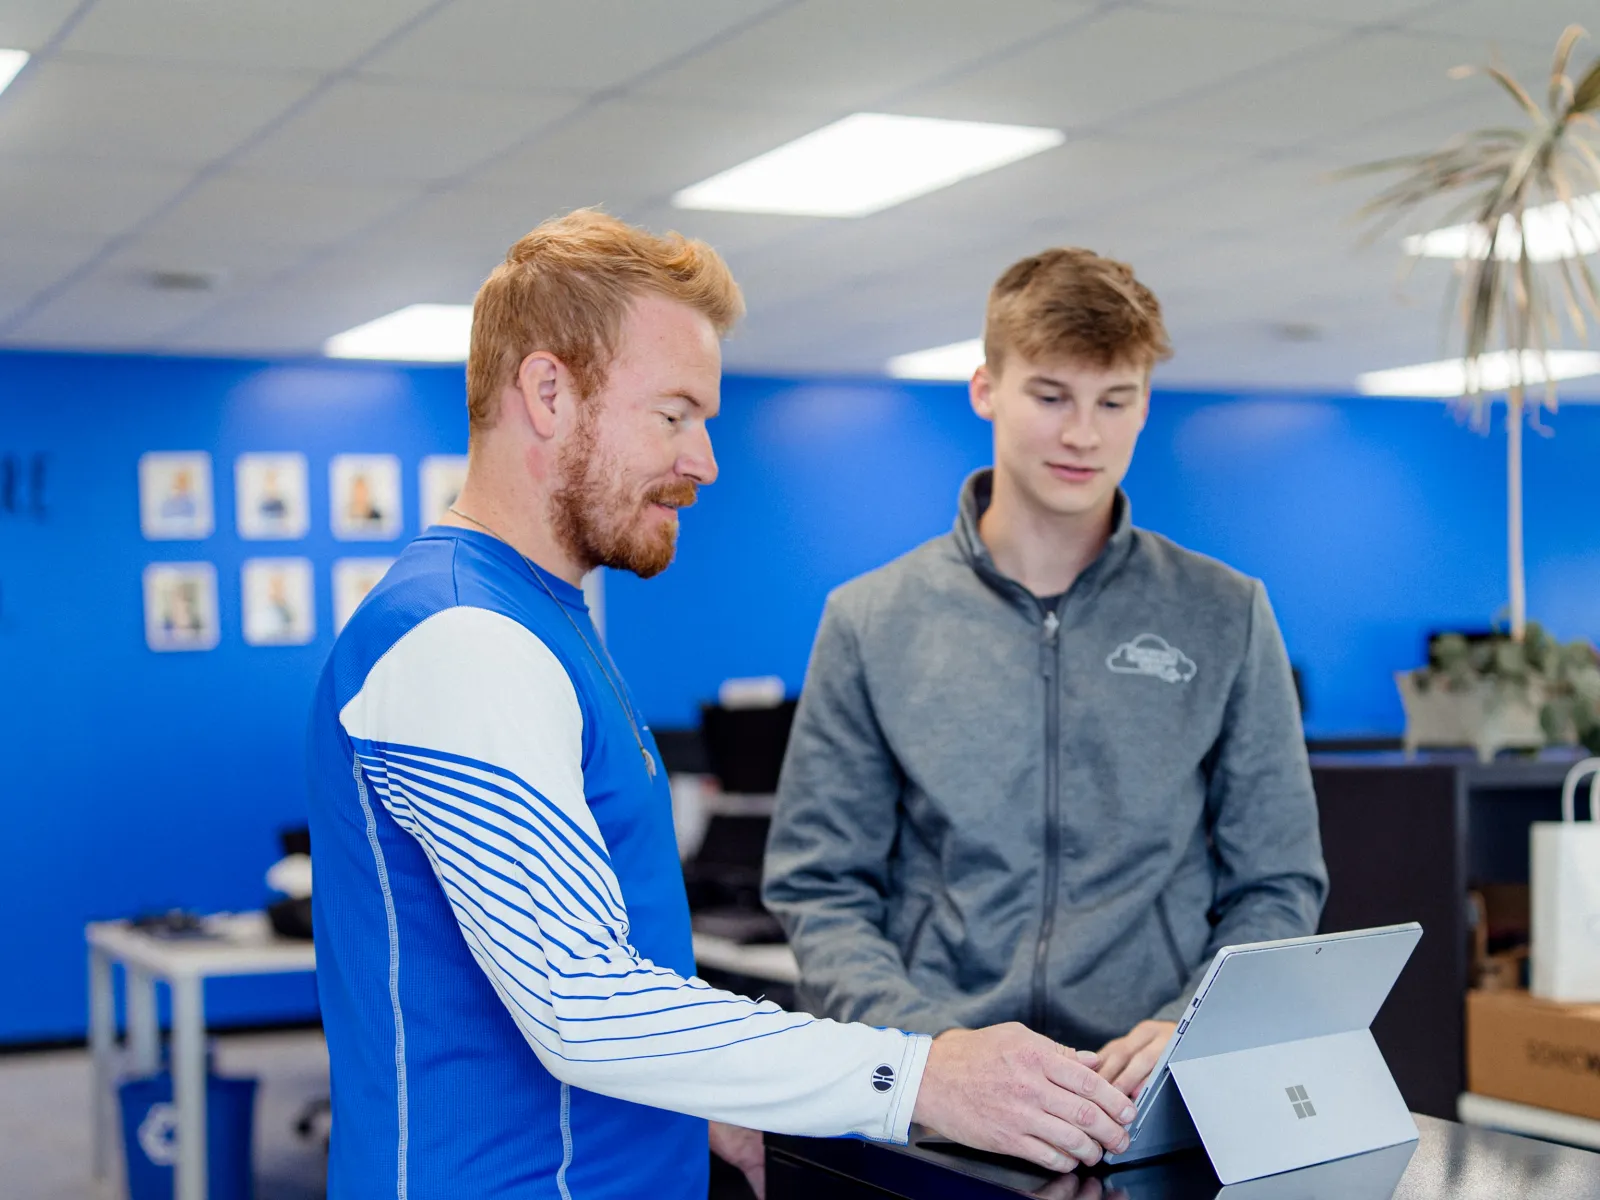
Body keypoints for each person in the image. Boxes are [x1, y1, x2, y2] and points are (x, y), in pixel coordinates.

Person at [306, 212, 1140, 1200]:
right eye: (673, 415)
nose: (703, 460)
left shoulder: (540, 620)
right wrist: (917, 1075)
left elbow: (589, 954)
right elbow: (581, 1004)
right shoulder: (460, 637)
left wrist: (718, 1091)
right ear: (547, 392)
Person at [763, 246, 1330, 1102]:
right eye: (1050, 395)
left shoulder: (1225, 612)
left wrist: (1193, 1023)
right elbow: (821, 885)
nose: (1082, 434)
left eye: (1115, 400)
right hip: (937, 1092)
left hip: (1149, 1093)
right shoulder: (872, 618)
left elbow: (1278, 881)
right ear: (986, 388)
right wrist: (939, 1054)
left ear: (1145, 406)